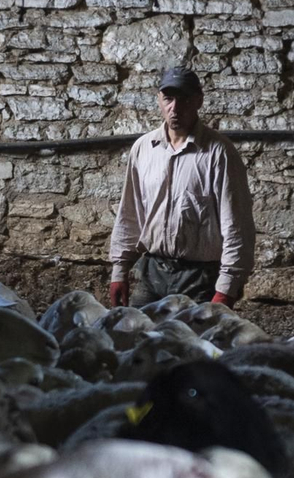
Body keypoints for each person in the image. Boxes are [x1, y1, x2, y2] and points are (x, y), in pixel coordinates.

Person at [107, 66, 257, 310]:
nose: (174, 108)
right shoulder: (144, 149)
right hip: (152, 271)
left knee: (190, 346)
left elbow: (237, 226)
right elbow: (130, 214)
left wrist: (226, 289)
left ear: (198, 101)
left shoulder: (219, 152)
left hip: (199, 278)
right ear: (159, 100)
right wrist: (119, 271)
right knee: (136, 340)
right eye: (168, 99)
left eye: (184, 99)